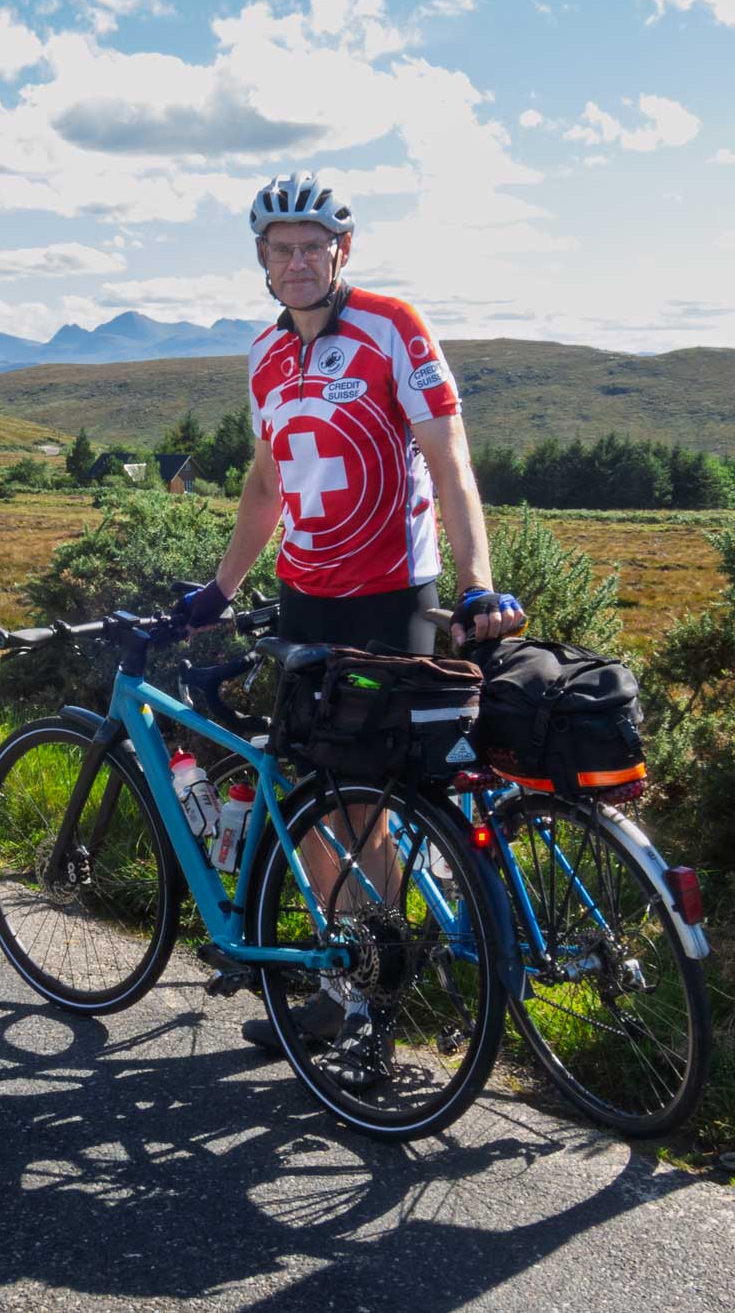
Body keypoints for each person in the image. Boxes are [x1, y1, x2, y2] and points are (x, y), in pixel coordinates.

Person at [176, 169, 527, 1060]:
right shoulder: (265, 356)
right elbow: (266, 484)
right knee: (313, 799)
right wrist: (219, 589)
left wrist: (477, 581)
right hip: (307, 599)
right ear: (261, 259)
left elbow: (452, 464)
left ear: (341, 251)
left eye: (311, 247)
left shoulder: (392, 327)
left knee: (366, 804)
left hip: (389, 595)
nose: (295, 262)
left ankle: (386, 996)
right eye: (278, 249)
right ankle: (346, 986)